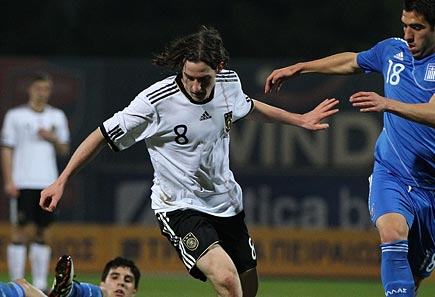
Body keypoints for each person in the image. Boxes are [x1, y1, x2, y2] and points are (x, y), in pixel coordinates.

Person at [39, 26, 339, 297]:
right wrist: (62, 179)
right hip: (179, 204)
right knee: (226, 278)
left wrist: (299, 119)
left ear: (219, 69)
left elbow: (249, 108)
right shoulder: (154, 103)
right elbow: (101, 135)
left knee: (248, 288)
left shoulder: (227, 84)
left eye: (203, 79)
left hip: (226, 202)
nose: (196, 86)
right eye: (189, 78)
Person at [264, 0, 435, 296]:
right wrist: (301, 68)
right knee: (392, 233)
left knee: (413, 279)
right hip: (393, 173)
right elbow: (352, 61)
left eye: (417, 28)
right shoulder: (393, 50)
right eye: (405, 25)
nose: (408, 35)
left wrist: (387, 103)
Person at [1, 72, 71, 292]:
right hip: (22, 181)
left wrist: (52, 138)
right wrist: (9, 180)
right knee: (19, 232)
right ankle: (17, 282)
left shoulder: (57, 116)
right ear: (30, 90)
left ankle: (40, 285)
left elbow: (65, 149)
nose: (42, 93)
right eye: (38, 88)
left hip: (47, 182)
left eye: (46, 89)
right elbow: (6, 149)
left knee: (44, 232)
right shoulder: (15, 116)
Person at [48, 255, 140, 297]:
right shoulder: (97, 292)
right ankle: (68, 289)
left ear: (134, 291)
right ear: (103, 283)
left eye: (127, 280)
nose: (121, 283)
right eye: (115, 277)